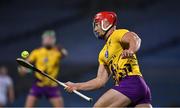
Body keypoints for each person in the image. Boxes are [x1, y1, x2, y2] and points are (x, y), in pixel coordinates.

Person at [65, 11, 152, 107]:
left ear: (106, 23)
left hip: (131, 82)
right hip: (138, 87)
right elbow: (100, 81)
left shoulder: (117, 34)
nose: (95, 29)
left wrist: (131, 50)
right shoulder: (102, 53)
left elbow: (135, 38)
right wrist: (76, 86)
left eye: (97, 25)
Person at [18, 30, 68, 107]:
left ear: (54, 40)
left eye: (50, 38)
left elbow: (65, 54)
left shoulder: (57, 52)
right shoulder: (36, 52)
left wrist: (59, 48)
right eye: (46, 38)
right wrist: (23, 69)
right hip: (38, 85)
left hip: (52, 85)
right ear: (43, 40)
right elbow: (26, 64)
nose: (48, 40)